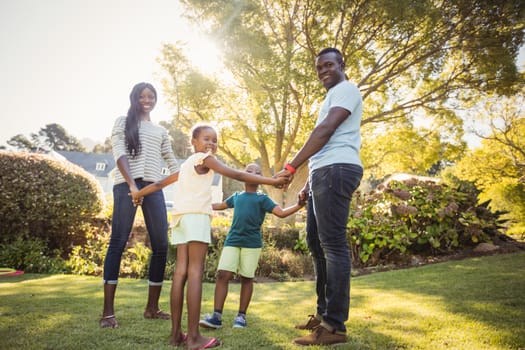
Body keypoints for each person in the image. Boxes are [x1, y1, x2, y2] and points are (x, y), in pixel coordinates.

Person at [132, 125, 288, 349]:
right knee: (195, 272)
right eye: (206, 139)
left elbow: (159, 184)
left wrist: (138, 193)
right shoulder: (205, 159)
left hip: (180, 219)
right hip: (196, 218)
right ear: (193, 142)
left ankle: (177, 335)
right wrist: (272, 181)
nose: (211, 144)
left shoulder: (186, 165)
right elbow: (235, 173)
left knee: (180, 274)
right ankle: (194, 338)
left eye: (215, 141)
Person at [275, 47, 364, 346]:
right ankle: (323, 314)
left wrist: (291, 166)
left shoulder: (347, 89)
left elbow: (325, 131)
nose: (323, 71)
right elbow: (322, 141)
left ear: (341, 64)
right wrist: (309, 181)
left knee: (333, 245)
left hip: (338, 169)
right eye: (318, 68)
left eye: (328, 65)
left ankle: (335, 327)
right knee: (315, 242)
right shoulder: (329, 97)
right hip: (323, 173)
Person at [100, 82, 179, 329]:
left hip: (153, 188)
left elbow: (174, 165)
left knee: (161, 245)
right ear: (134, 98)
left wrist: (192, 170)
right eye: (142, 96)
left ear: (156, 99)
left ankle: (152, 309)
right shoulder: (122, 122)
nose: (147, 99)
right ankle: (108, 313)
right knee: (117, 242)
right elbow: (119, 154)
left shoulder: (161, 131)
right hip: (126, 186)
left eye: (151, 96)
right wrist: (133, 186)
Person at [199, 163, 306, 330]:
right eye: (249, 171)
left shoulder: (262, 199)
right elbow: (219, 206)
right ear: (243, 175)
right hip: (232, 241)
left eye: (258, 172)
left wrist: (300, 205)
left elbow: (282, 212)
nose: (253, 174)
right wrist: (199, 205)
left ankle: (241, 316)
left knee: (247, 278)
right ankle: (216, 316)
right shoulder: (236, 196)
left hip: (252, 244)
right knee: (223, 275)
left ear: (260, 179)